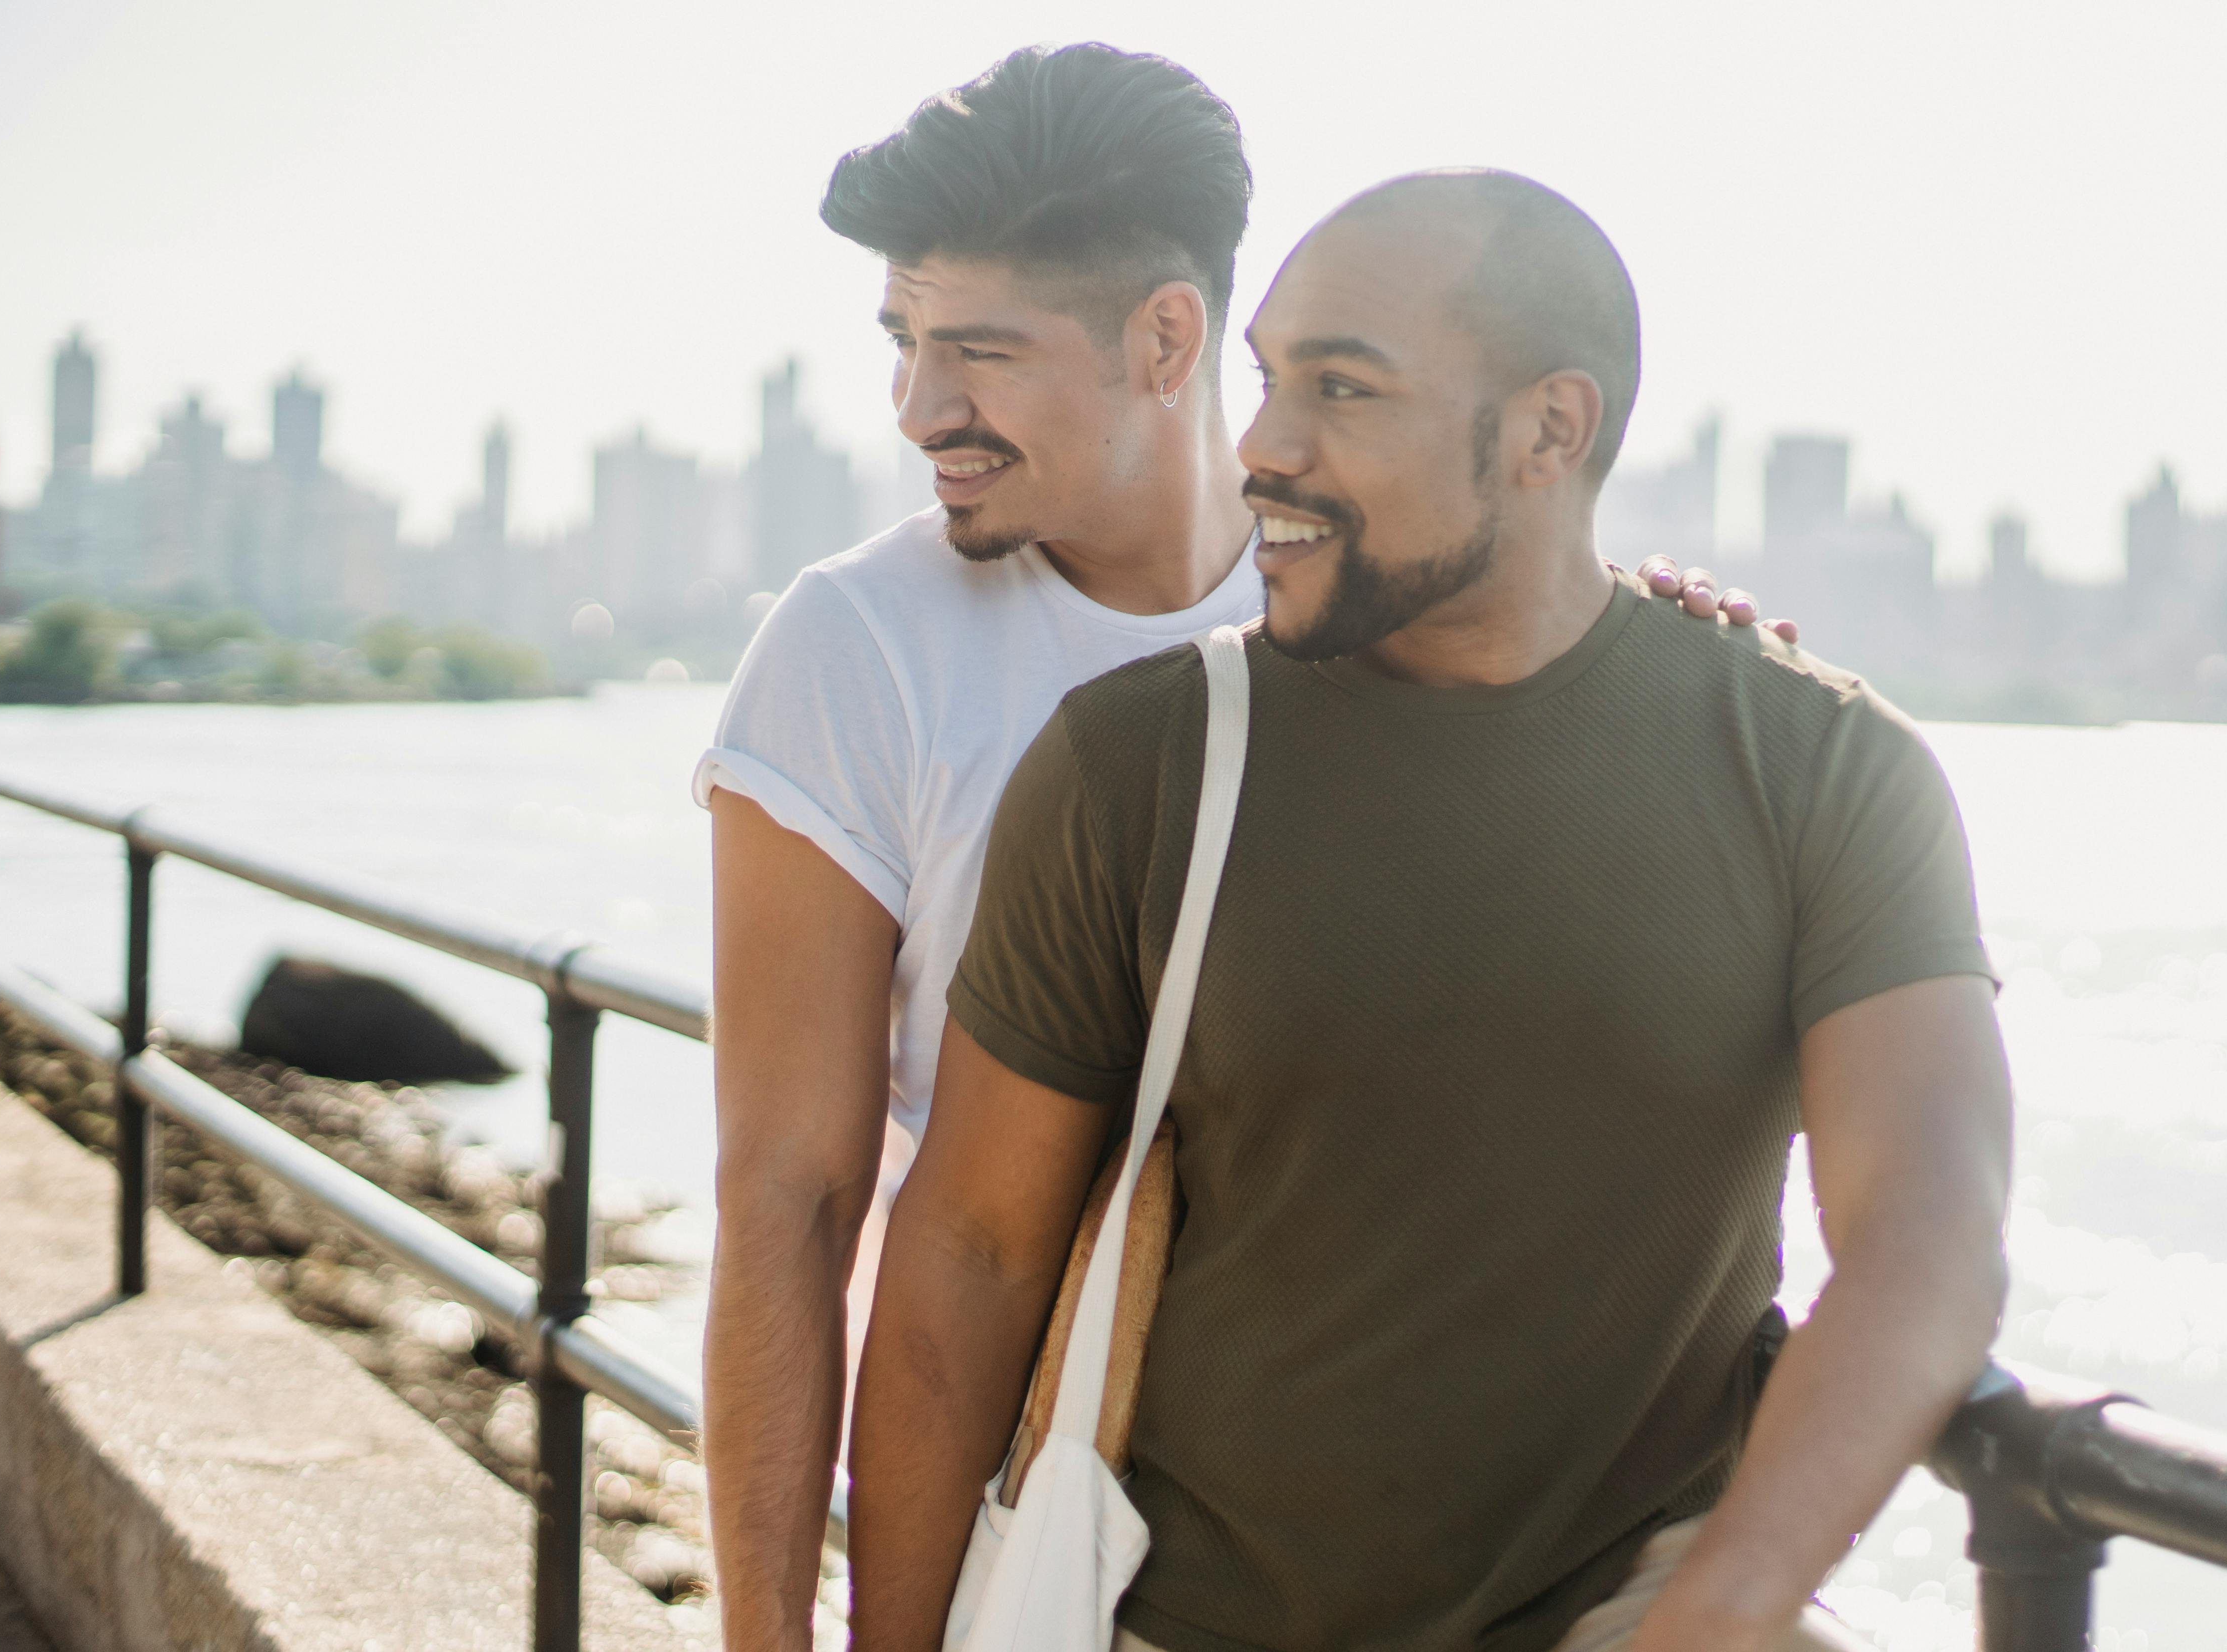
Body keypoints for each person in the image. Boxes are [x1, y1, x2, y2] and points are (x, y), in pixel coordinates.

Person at [694, 49, 1779, 1650]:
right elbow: (787, 1198)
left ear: (1167, 338)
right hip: (1044, 1511)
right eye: (904, 343)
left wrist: (1671, 668)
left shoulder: (1375, 603)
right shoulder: (856, 649)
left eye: (978, 352)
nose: (923, 409)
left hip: (1426, 1523)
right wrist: (774, 1640)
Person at [847, 170, 2012, 1652]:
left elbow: (1929, 1228)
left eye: (1344, 389)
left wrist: (1728, 1602)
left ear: (1550, 429)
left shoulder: (1822, 768)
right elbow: (969, 1253)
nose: (1263, 444)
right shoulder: (1140, 764)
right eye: (1268, 380)